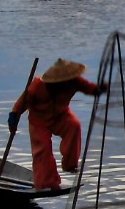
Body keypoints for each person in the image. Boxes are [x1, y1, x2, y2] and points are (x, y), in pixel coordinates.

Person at [8, 58, 103, 191]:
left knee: (74, 126)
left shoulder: (73, 81)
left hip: (61, 116)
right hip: (39, 121)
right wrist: (14, 116)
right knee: (43, 148)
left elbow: (88, 87)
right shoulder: (37, 85)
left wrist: (98, 89)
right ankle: (46, 182)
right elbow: (22, 102)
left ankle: (70, 164)